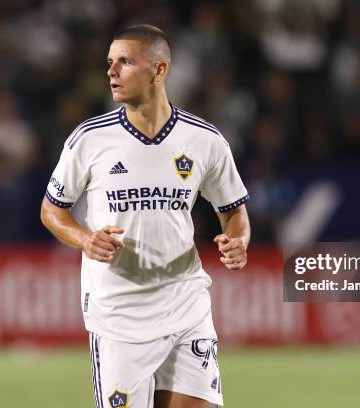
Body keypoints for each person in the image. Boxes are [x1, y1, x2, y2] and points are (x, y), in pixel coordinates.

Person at [40, 25, 250, 408]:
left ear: (159, 70)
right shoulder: (89, 139)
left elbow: (233, 210)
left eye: (125, 62)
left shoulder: (205, 140)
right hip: (120, 316)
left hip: (186, 305)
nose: (111, 72)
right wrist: (85, 238)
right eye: (109, 62)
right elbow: (52, 209)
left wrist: (238, 241)